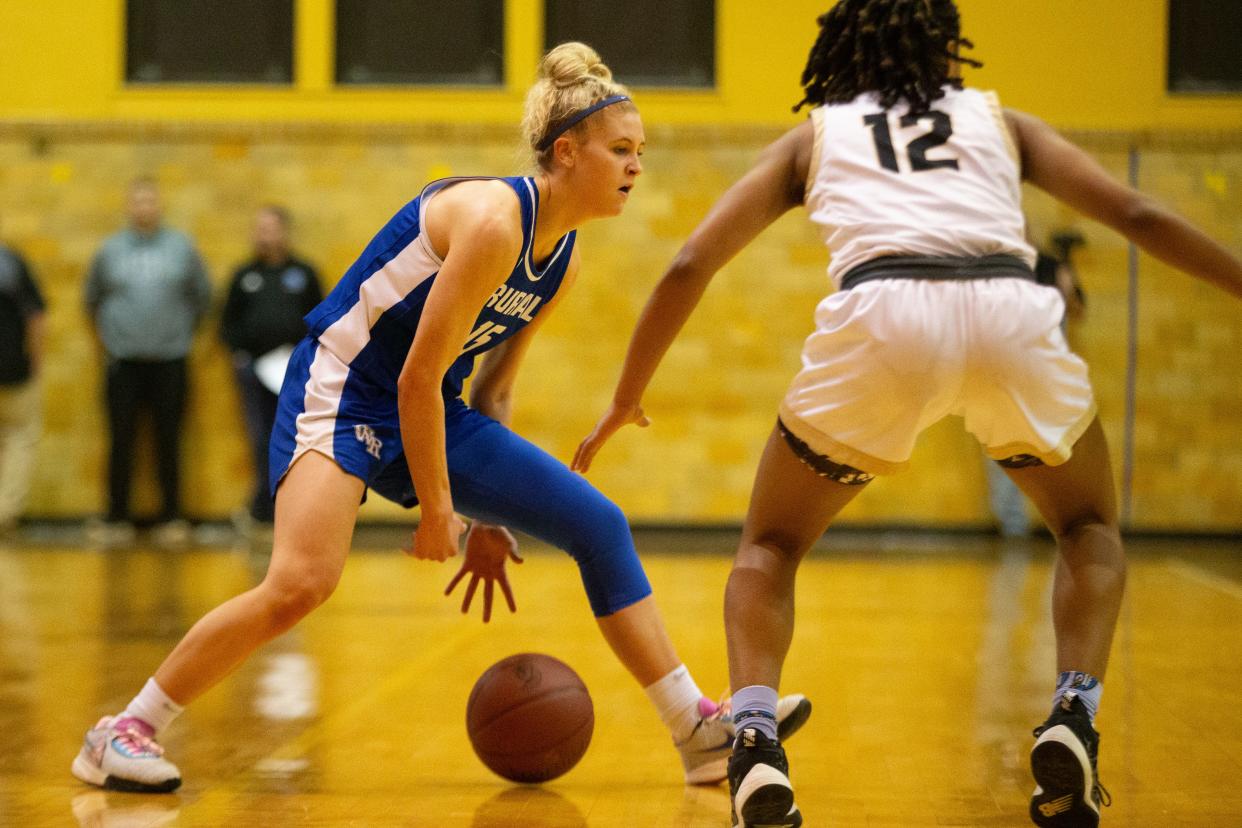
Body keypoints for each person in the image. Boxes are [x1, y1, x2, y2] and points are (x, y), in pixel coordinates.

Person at [70, 43, 811, 796]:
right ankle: (122, 730)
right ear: (567, 149)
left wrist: (490, 515)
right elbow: (417, 374)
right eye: (621, 149)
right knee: (301, 582)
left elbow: (488, 395)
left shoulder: (563, 259)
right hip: (345, 388)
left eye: (640, 152)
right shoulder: (492, 220)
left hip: (432, 407)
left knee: (599, 525)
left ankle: (694, 729)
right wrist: (440, 507)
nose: (636, 166)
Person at [571, 3, 1242, 826]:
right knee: (1088, 526)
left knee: (772, 547)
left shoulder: (817, 134)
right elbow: (1139, 216)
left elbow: (688, 262)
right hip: (1008, 307)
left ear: (841, 57)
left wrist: (626, 395)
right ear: (943, 50)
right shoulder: (1002, 121)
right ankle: (1073, 711)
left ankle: (752, 740)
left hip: (883, 316)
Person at [84, 178, 212, 545]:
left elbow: (201, 298)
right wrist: (109, 341)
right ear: (129, 206)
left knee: (168, 438)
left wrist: (182, 336)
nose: (144, 207)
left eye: (150, 200)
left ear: (159, 205)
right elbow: (92, 300)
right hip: (123, 361)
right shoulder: (110, 250)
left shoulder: (181, 248)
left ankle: (171, 516)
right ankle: (116, 517)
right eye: (138, 200)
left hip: (170, 360)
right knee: (120, 438)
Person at [220, 206, 323, 529]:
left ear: (284, 231)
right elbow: (227, 324)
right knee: (260, 435)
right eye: (260, 228)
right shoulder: (244, 275)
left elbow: (321, 319)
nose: (265, 235)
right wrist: (242, 352)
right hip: (254, 370)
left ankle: (295, 505)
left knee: (295, 435)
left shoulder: (304, 273)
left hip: (294, 371)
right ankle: (263, 505)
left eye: (271, 228)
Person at [985, 230, 1087, 537]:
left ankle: (1055, 519)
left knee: (1049, 446)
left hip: (1044, 371)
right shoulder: (999, 266)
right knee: (1004, 446)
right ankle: (1011, 522)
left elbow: (1077, 310)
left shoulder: (1050, 265)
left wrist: (1067, 275)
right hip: (1006, 370)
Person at [0, 230, 46, 537]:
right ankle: (5, 512)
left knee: (18, 435)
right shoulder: (12, 262)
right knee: (18, 437)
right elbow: (37, 315)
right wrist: (37, 359)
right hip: (13, 363)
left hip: (12, 366)